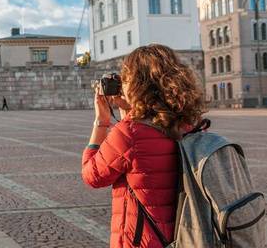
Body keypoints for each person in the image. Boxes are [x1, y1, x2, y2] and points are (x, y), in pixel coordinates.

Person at [81, 44, 205, 248]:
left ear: (137, 84)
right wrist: (130, 111)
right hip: (188, 237)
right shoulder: (190, 125)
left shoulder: (129, 133)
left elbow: (92, 176)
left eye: (126, 78)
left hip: (143, 241)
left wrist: (101, 121)